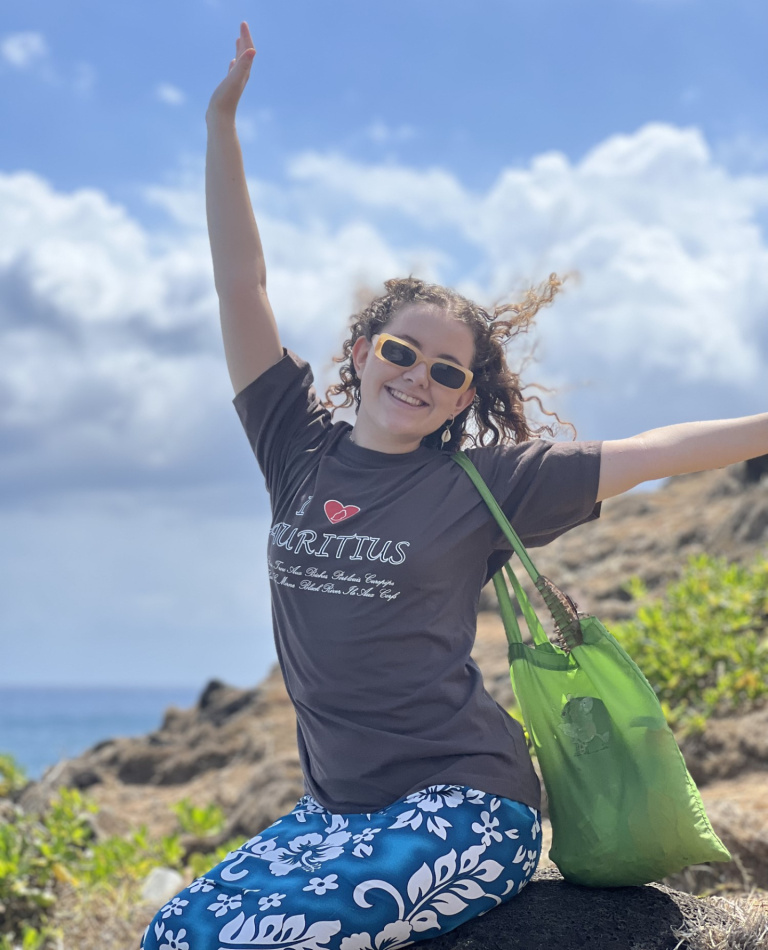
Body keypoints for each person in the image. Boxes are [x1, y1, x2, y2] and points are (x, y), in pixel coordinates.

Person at [140, 21, 767, 950]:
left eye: (447, 372)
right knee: (172, 935)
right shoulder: (292, 443)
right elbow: (242, 286)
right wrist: (219, 128)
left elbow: (656, 452)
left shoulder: (487, 482)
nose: (418, 377)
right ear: (361, 353)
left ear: (464, 395)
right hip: (332, 814)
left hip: (469, 808)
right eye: (402, 351)